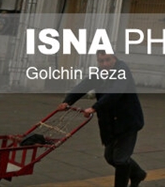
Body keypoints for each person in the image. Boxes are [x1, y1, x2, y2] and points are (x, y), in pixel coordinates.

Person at [58, 51, 146, 187]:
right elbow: (84, 85)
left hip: (127, 121)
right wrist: (67, 101)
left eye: (107, 60)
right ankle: (137, 173)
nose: (104, 64)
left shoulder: (122, 71)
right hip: (109, 122)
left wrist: (95, 107)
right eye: (101, 61)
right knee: (110, 157)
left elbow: (115, 91)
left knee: (120, 159)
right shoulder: (99, 73)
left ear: (115, 58)